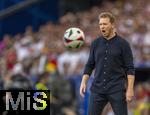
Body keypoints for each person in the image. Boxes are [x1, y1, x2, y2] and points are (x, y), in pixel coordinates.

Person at [80, 12, 135, 115]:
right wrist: (84, 82)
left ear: (112, 25)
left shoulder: (123, 44)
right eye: (100, 24)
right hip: (97, 89)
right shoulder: (95, 43)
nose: (102, 27)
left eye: (105, 24)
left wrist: (130, 89)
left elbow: (130, 68)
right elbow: (90, 64)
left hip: (116, 88)